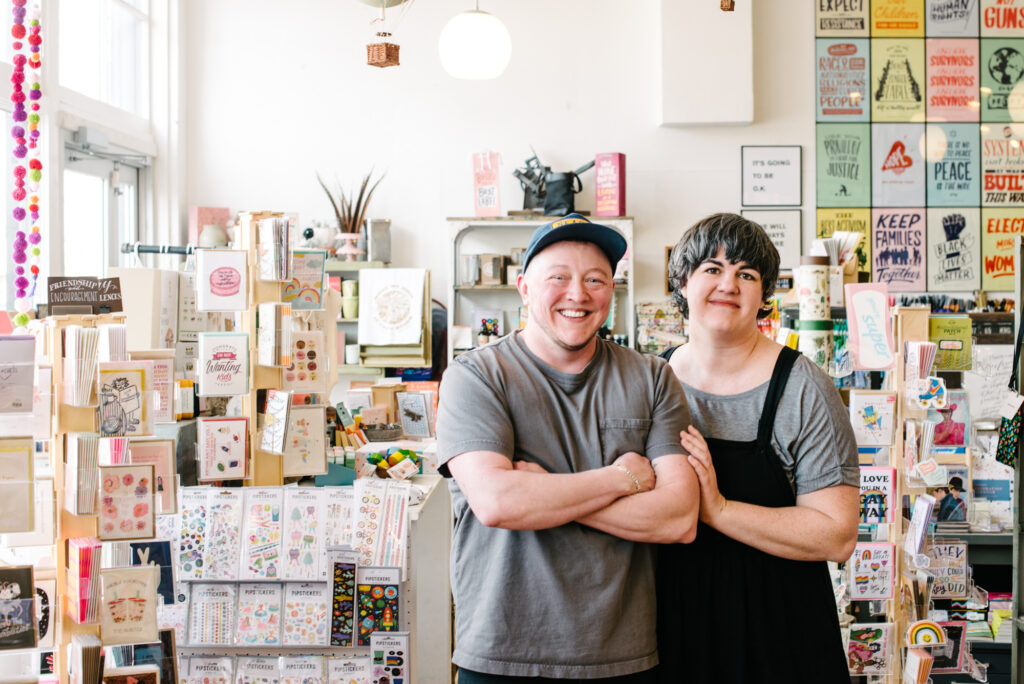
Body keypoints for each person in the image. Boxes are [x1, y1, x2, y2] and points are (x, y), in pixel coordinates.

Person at [437, 213, 700, 682]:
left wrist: (545, 493)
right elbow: (498, 502)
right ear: (524, 288)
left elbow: (679, 518)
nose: (577, 294)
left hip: (623, 654)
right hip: (502, 652)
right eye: (558, 278)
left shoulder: (653, 377)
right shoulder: (477, 376)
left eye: (595, 280)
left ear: (611, 291)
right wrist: (623, 480)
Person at [658, 213, 860, 683]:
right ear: (683, 283)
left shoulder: (804, 387)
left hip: (781, 634)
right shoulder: (652, 381)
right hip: (670, 626)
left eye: (746, 274)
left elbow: (837, 534)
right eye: (712, 268)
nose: (728, 283)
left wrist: (719, 510)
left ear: (763, 296)